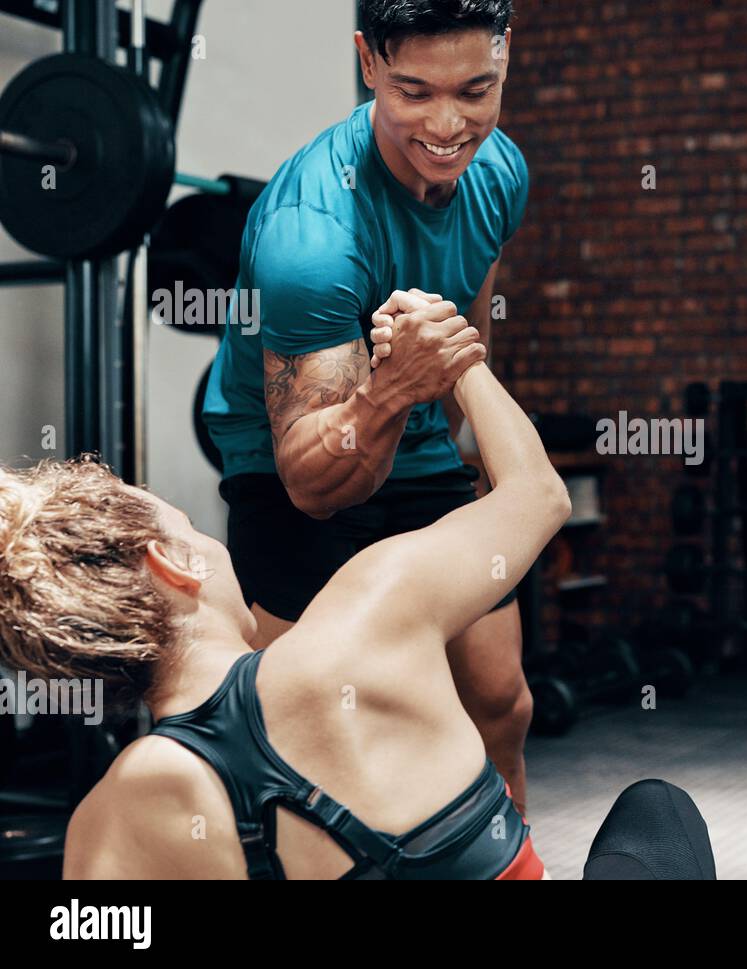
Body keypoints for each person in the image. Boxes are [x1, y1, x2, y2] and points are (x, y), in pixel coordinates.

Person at [0, 294, 565, 879]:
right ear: (173, 563)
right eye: (192, 528)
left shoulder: (108, 819)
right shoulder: (370, 612)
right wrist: (456, 359)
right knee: (651, 808)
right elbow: (538, 495)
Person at [201, 0, 535, 814]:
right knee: (295, 738)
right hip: (295, 466)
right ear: (369, 63)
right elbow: (315, 481)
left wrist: (454, 439)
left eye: (474, 89)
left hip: (418, 442)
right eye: (415, 92)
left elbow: (469, 305)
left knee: (499, 701)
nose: (449, 124)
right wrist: (395, 387)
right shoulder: (310, 233)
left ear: (504, 61)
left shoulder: (498, 172)